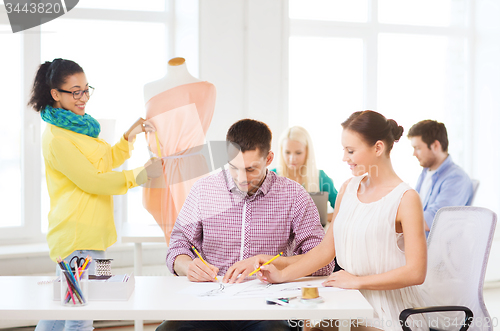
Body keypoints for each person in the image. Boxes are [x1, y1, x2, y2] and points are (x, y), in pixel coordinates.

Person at [256, 111, 429, 331]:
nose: (344, 158)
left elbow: (416, 272)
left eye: (351, 151)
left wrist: (357, 282)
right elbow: (324, 251)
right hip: (349, 299)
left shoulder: (406, 199)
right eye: (344, 150)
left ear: (378, 148)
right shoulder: (348, 188)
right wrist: (281, 276)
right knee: (308, 328)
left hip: (388, 311)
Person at [157, 119, 334, 331]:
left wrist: (270, 264)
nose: (242, 179)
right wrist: (187, 266)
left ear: (268, 159)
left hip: (268, 306)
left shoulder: (294, 195)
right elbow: (178, 245)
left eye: (251, 169)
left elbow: (323, 263)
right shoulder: (203, 190)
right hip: (210, 303)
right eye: (234, 167)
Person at [29, 58, 162, 331]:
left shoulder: (80, 127)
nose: (83, 98)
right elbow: (92, 181)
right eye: (75, 91)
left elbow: (102, 161)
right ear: (56, 94)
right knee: (81, 314)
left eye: (86, 89)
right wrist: (139, 176)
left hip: (93, 238)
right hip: (77, 240)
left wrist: (128, 137)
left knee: (62, 308)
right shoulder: (57, 138)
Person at [142, 57, 216, 243]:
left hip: (191, 170)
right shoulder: (148, 88)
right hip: (163, 168)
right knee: (173, 240)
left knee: (197, 237)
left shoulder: (206, 89)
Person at [408, 120, 473, 234]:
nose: (414, 154)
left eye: (417, 148)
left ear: (435, 146)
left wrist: (398, 220)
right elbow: (412, 208)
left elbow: (434, 220)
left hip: (436, 249)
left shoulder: (456, 178)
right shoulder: (425, 172)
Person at [272, 126, 338, 223]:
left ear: (307, 152)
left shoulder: (321, 177)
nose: (292, 158)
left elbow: (343, 210)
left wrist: (321, 217)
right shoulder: (271, 176)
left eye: (298, 153)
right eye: (287, 152)